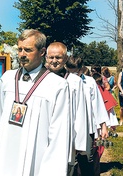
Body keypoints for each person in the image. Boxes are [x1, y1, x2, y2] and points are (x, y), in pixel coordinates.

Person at [0, 29, 70, 175]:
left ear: (42, 52)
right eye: (20, 49)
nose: (22, 54)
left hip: (36, 155)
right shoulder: (8, 79)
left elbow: (59, 131)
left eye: (28, 50)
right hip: (6, 150)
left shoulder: (57, 85)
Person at [46, 42, 88, 176]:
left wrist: (79, 143)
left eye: (58, 57)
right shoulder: (39, 80)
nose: (54, 61)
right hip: (43, 132)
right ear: (46, 58)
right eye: (51, 57)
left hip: (65, 133)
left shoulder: (75, 82)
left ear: (65, 59)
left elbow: (81, 112)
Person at [65, 56, 109, 176]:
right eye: (69, 71)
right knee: (69, 159)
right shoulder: (64, 81)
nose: (72, 74)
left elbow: (98, 104)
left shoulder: (89, 82)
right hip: (69, 125)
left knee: (86, 158)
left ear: (80, 69)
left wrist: (103, 126)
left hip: (87, 125)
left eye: (75, 72)